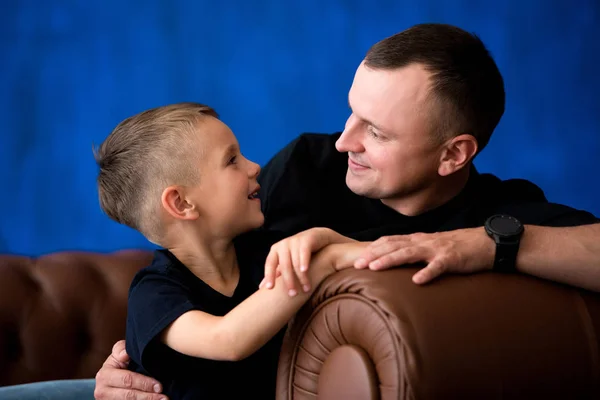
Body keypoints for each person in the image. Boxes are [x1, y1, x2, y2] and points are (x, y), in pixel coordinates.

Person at [93, 23, 600, 400]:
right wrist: (127, 361)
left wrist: (478, 244)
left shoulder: (498, 212)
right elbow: (198, 251)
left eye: (376, 132)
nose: (344, 141)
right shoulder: (306, 169)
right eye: (352, 111)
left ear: (453, 154)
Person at [92, 102, 369, 399]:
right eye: (232, 160)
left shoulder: (267, 250)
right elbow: (228, 340)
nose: (255, 167)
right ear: (182, 204)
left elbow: (370, 256)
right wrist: (323, 262)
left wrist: (328, 240)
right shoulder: (154, 294)